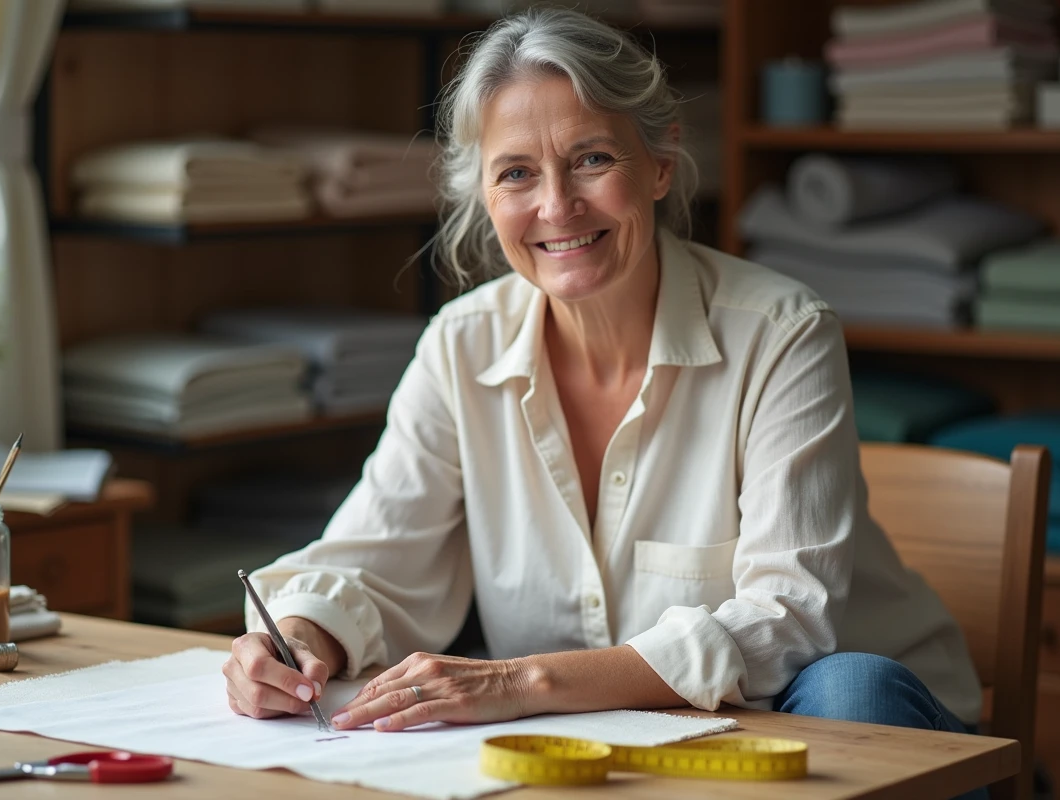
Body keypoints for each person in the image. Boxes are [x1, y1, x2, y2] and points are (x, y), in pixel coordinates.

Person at [222, 6, 983, 786]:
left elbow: (787, 620)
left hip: (830, 722)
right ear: (483, 195)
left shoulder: (783, 332)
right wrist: (301, 639)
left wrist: (521, 683)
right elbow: (375, 558)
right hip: (618, 747)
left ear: (660, 161)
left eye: (590, 159)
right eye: (516, 172)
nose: (556, 206)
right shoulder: (461, 346)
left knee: (848, 686)